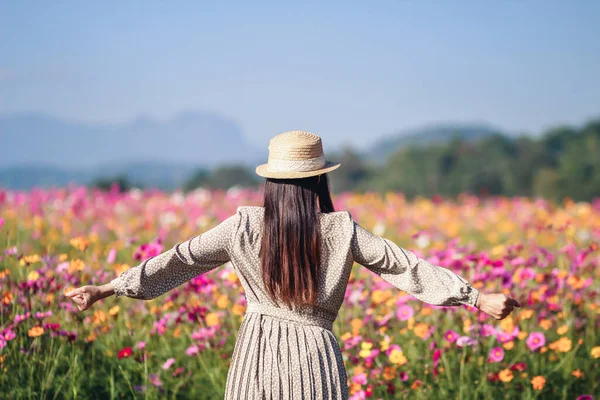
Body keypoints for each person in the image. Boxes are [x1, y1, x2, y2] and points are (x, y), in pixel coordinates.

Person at [66, 130, 521, 399]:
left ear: (271, 182)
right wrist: (476, 298)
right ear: (319, 178)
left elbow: (180, 260)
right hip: (314, 359)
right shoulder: (342, 231)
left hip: (257, 355)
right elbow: (404, 266)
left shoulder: (242, 228)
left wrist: (110, 288)